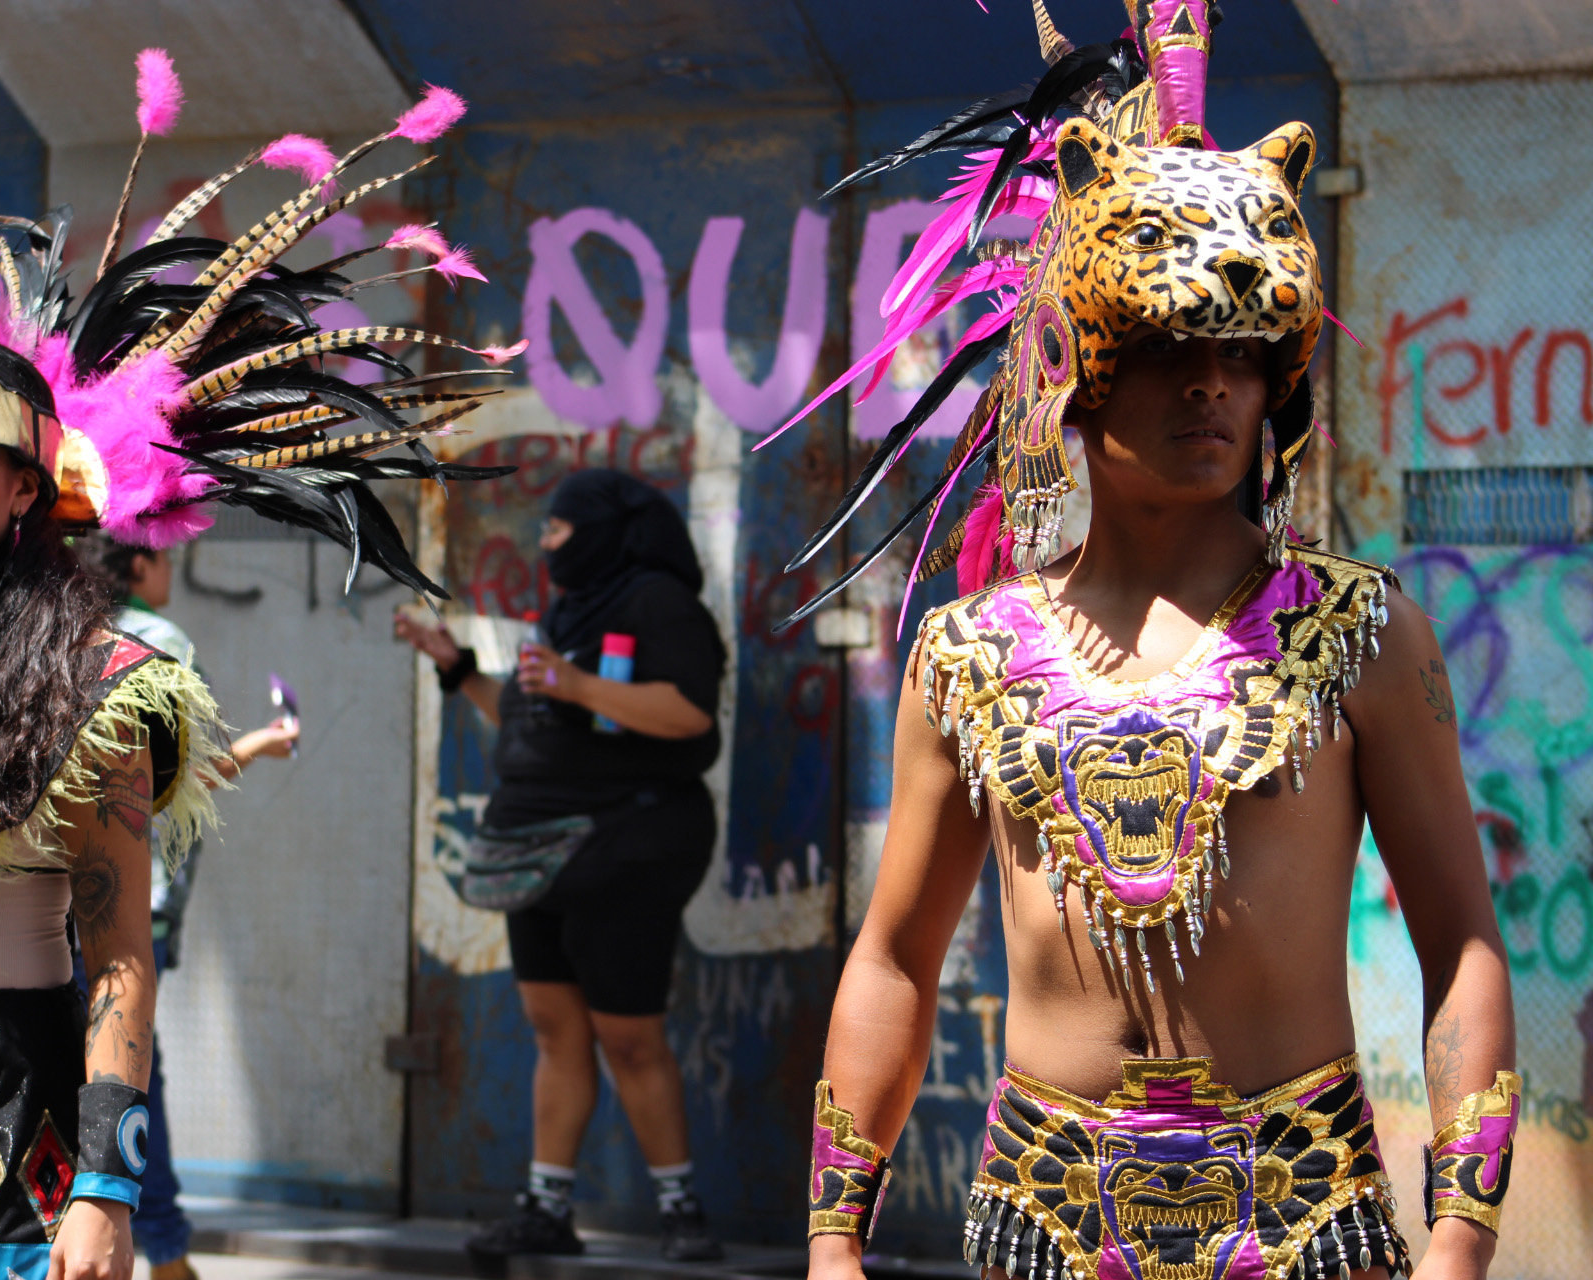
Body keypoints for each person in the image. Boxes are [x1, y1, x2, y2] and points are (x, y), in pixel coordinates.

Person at [0, 47, 515, 1280]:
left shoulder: (97, 683)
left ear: (27, 485)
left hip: (16, 1168)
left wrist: (108, 1186)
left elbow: (120, 950)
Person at [779, 6, 1518, 1280]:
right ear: (1078, 365)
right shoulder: (971, 653)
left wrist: (1459, 1249)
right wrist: (833, 1243)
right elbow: (896, 952)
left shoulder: (1360, 631)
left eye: (1242, 356)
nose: (1211, 387)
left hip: (1307, 1228)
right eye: (1173, 346)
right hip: (1042, 1226)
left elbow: (1462, 943)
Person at [397, 470, 727, 1263]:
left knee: (628, 1034)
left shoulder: (656, 603)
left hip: (624, 848)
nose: (546, 542)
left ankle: (681, 1210)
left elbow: (690, 713)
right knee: (555, 1028)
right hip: (535, 849)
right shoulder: (571, 611)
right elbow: (540, 722)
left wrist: (576, 683)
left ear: (606, 531)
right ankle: (547, 1207)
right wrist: (457, 669)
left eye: (558, 529)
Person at [76, 537, 299, 1280]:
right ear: (138, 563)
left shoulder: (54, 626)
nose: (175, 570)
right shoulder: (160, 641)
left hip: (50, 897)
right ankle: (166, 1249)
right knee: (131, 1067)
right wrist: (264, 744)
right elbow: (187, 772)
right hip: (135, 896)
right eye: (167, 554)